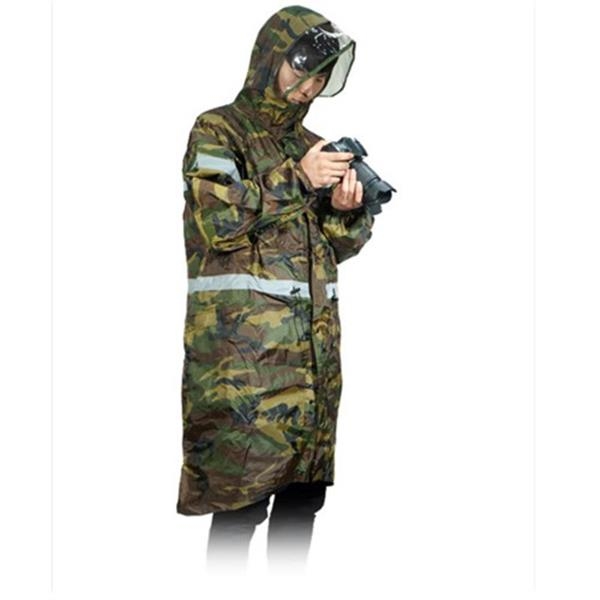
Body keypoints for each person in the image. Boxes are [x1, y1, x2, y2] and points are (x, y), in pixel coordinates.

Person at [177, 5, 375, 571]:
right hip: (243, 365)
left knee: (301, 503)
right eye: (300, 70)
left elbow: (332, 249)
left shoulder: (312, 143)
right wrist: (299, 178)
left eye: (319, 77)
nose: (307, 87)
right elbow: (217, 222)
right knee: (240, 505)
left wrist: (344, 212)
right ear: (270, 59)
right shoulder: (218, 130)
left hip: (312, 363)